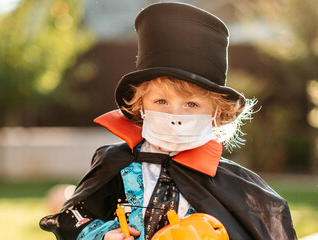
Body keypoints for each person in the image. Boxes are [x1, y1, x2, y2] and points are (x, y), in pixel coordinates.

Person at [40, 2, 297, 240]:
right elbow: (73, 216)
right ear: (140, 106)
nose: (175, 116)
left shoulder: (237, 185)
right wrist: (103, 234)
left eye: (191, 104)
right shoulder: (116, 164)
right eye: (161, 102)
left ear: (217, 113)